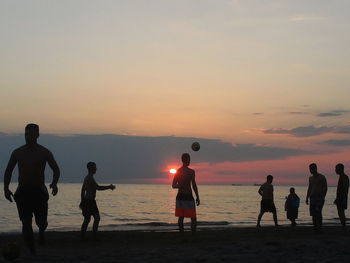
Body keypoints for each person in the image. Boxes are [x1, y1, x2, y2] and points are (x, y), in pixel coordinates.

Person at [3, 123, 60, 254]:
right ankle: (32, 248)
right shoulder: (18, 152)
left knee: (42, 223)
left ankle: (41, 231)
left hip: (39, 191)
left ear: (37, 135)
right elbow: (8, 171)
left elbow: (56, 169)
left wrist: (55, 183)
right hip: (23, 192)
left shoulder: (44, 152)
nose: (28, 137)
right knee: (26, 222)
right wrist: (6, 188)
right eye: (26, 134)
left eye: (31, 134)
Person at [80, 162, 115, 240]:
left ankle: (84, 236)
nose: (96, 169)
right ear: (91, 168)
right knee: (94, 218)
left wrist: (82, 201)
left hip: (89, 201)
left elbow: (82, 190)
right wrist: (109, 187)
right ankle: (92, 237)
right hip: (89, 201)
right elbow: (98, 188)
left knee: (89, 219)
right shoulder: (89, 178)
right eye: (95, 167)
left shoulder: (88, 177)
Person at [172, 153, 200, 233]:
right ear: (184, 160)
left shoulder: (191, 171)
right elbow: (173, 185)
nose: (189, 161)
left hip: (187, 196)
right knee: (182, 217)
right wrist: (180, 186)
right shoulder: (179, 171)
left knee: (192, 217)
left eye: (189, 159)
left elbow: (194, 185)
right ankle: (182, 235)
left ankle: (192, 234)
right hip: (182, 196)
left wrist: (197, 196)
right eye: (188, 159)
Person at [306, 163, 327, 231]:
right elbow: (309, 188)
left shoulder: (322, 177)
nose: (310, 170)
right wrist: (307, 197)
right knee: (313, 213)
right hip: (312, 197)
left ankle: (319, 227)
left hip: (319, 197)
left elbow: (325, 187)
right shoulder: (310, 178)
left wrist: (323, 196)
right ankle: (315, 227)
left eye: (311, 169)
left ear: (315, 168)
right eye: (310, 169)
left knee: (318, 212)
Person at [334, 163, 349, 229]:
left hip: (342, 198)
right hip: (340, 198)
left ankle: (344, 227)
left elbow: (345, 189)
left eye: (336, 168)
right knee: (340, 212)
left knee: (341, 213)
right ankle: (343, 226)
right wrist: (337, 198)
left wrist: (343, 199)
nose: (335, 170)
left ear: (341, 169)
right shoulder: (341, 177)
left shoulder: (344, 177)